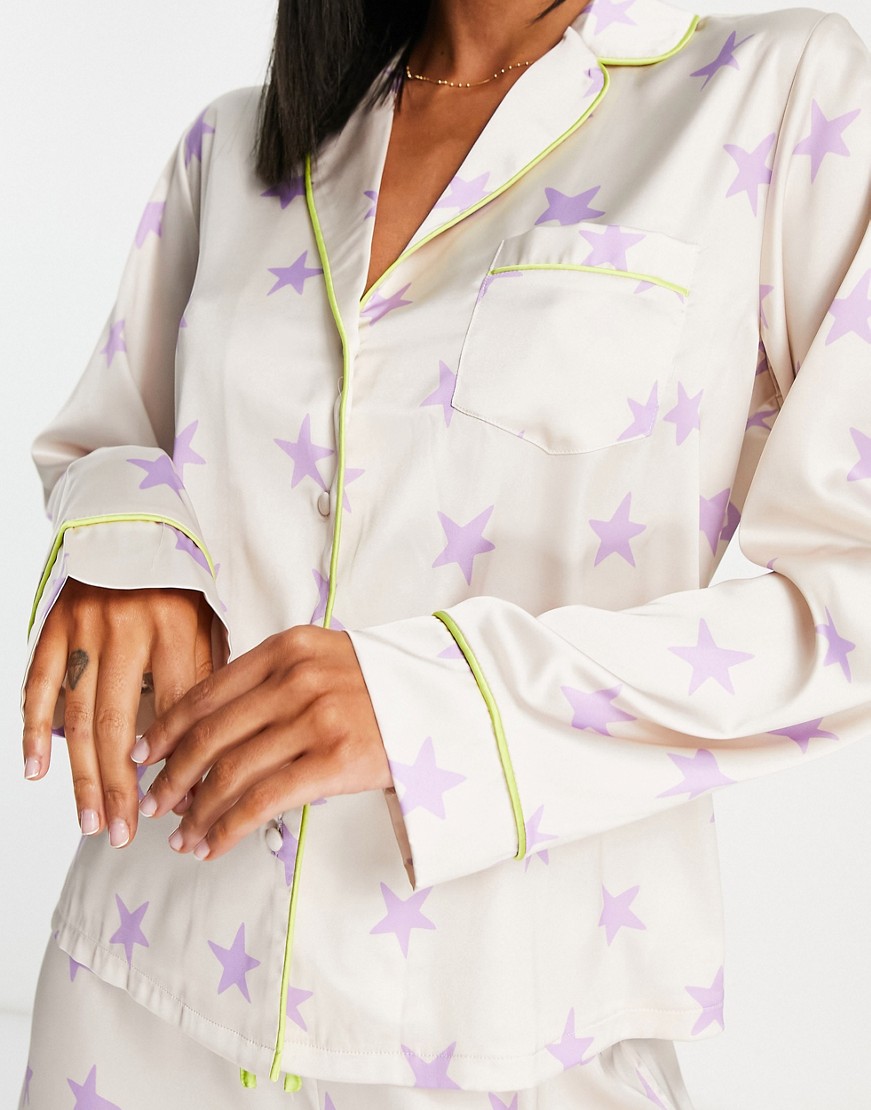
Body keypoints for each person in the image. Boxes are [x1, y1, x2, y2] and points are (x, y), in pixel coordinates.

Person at [17, 0, 871, 1106]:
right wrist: (127, 552)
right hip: (138, 991)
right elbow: (113, 439)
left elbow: (847, 597)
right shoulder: (232, 150)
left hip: (507, 1030)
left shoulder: (776, 92)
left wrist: (434, 702)